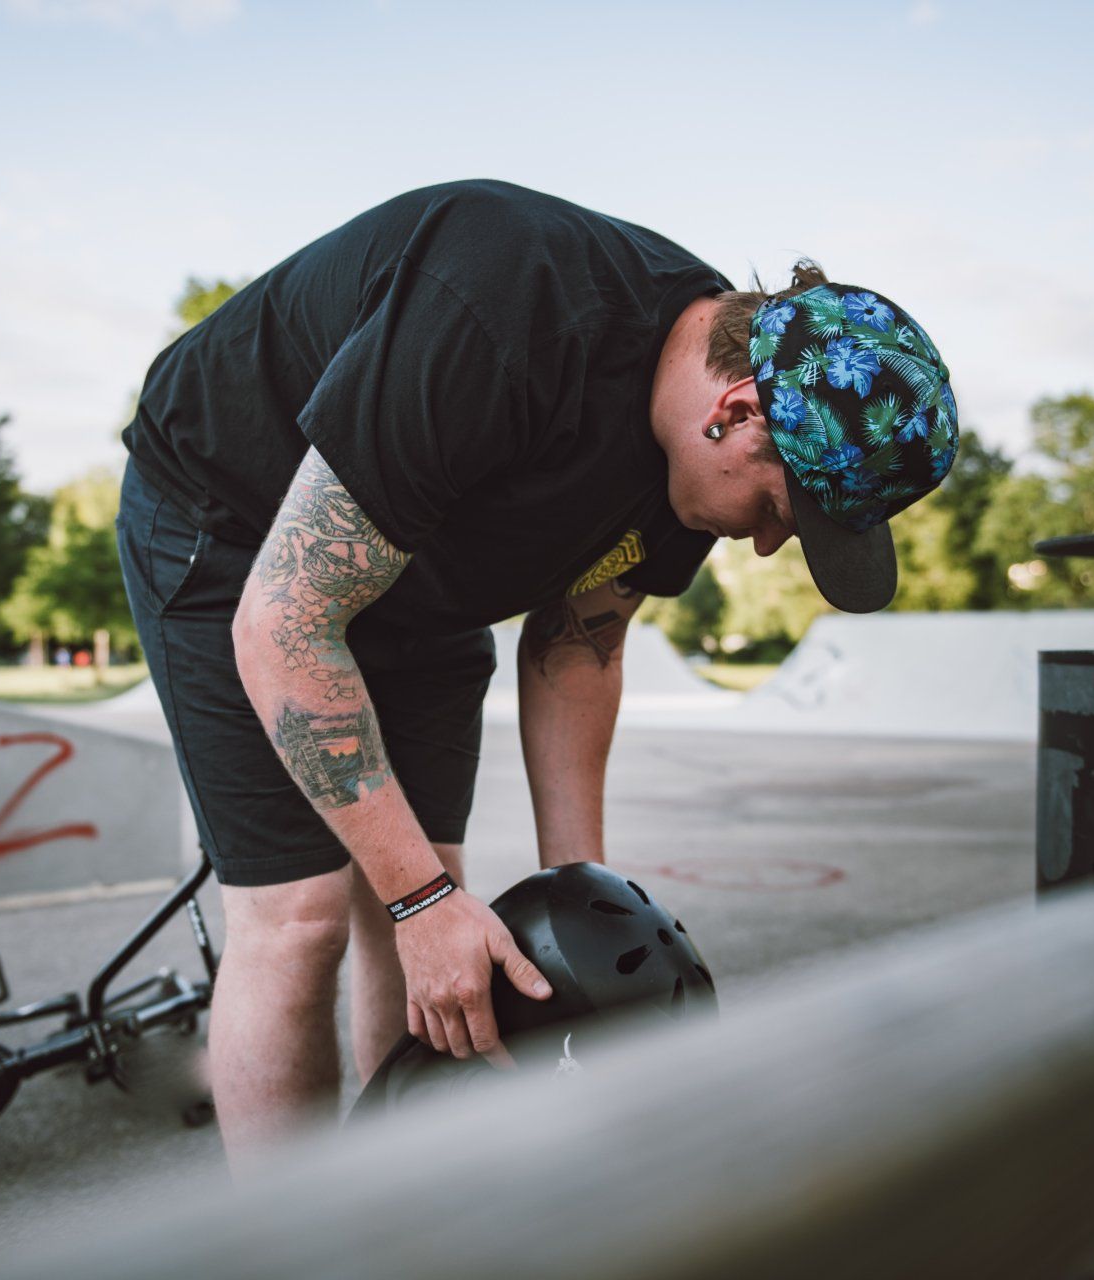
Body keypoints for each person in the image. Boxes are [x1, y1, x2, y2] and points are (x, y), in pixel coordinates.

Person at [115, 179, 958, 1170]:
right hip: (233, 535)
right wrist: (420, 901)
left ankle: (399, 1204)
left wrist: (580, 906)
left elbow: (578, 638)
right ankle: (289, 1241)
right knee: (302, 917)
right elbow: (288, 625)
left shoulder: (682, 471)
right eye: (782, 508)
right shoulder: (508, 309)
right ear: (734, 412)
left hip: (418, 575)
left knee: (435, 917)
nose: (771, 546)